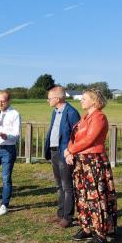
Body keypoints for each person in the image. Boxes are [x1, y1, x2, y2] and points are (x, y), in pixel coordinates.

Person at [65, 89, 118, 243]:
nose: (81, 101)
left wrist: (71, 150)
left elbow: (90, 139)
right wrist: (69, 151)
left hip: (93, 161)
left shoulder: (99, 117)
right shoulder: (84, 118)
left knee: (96, 195)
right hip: (81, 161)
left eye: (84, 98)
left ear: (94, 101)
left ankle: (101, 231)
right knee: (82, 195)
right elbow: (73, 137)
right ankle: (87, 227)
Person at [44, 86, 81, 228]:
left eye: (49, 98)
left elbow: (77, 135)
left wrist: (71, 152)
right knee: (59, 185)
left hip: (65, 153)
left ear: (58, 99)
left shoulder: (71, 112)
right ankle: (60, 214)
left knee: (67, 186)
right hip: (54, 152)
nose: (48, 101)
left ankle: (68, 217)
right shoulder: (55, 112)